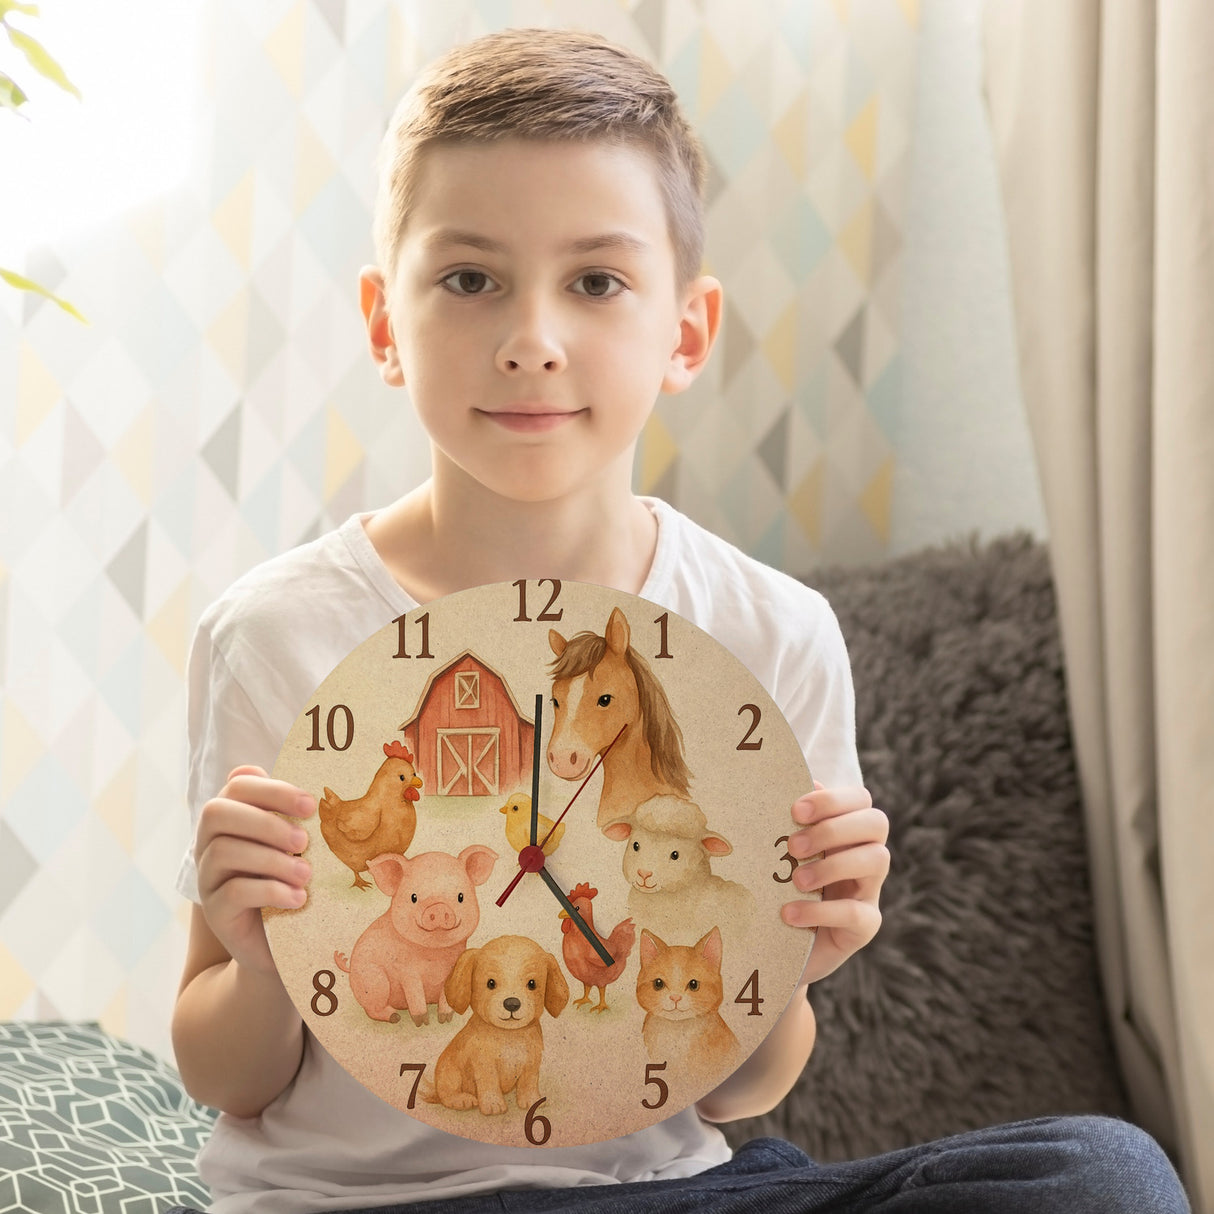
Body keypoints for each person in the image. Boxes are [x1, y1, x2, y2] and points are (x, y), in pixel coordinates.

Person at [169, 27, 1189, 1214]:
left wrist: (794, 960)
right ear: (385, 322)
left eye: (595, 281)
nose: (532, 337)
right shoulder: (276, 632)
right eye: (468, 278)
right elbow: (225, 1074)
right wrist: (256, 959)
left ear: (686, 330)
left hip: (666, 1191)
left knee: (1098, 1174)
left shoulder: (770, 632)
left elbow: (734, 1093)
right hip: (360, 1205)